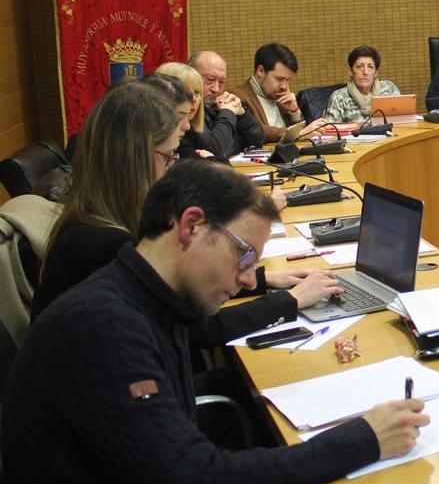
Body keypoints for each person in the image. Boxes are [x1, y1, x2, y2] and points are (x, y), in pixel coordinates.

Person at [3, 159, 429, 484]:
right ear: (191, 226)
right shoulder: (105, 327)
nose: (248, 280)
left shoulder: (146, 297)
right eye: (243, 256)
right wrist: (365, 438)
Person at [31, 83, 339, 333]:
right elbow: (195, 330)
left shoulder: (98, 216)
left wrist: (263, 279)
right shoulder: (105, 245)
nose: (171, 168)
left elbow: (176, 292)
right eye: (169, 156)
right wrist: (290, 301)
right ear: (135, 159)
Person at [232, 42, 326, 142]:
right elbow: (258, 130)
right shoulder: (238, 97)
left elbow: (302, 136)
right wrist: (299, 134)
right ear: (260, 71)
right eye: (279, 79)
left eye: (288, 80)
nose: (284, 87)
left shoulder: (279, 95)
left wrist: (294, 113)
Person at [190, 50, 266, 159]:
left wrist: (243, 115)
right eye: (209, 80)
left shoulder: (222, 103)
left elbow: (257, 141)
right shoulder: (189, 110)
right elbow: (214, 150)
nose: (216, 89)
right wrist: (227, 113)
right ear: (191, 76)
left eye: (221, 82)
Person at [325, 45, 403, 123]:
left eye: (370, 67)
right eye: (359, 67)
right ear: (350, 71)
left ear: (375, 73)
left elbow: (403, 120)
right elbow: (330, 130)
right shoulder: (339, 97)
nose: (365, 72)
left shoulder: (388, 89)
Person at [155, 61, 214, 158]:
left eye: (197, 92)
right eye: (186, 92)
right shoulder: (165, 138)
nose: (193, 99)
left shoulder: (190, 130)